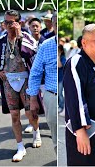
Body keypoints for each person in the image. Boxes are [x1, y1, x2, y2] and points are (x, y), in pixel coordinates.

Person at [0, 9, 41, 162]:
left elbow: (33, 53)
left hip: (26, 80)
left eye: (11, 22)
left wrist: (20, 36)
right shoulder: (0, 41)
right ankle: (20, 146)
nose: (8, 25)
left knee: (30, 113)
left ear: (19, 23)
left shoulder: (28, 38)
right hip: (9, 81)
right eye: (6, 22)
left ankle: (36, 132)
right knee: (15, 115)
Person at [63, 24, 95, 166]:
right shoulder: (77, 61)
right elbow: (75, 97)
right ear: (84, 42)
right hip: (86, 130)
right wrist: (79, 130)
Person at [27, 12, 58, 153]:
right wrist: (33, 98)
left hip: (74, 97)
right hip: (52, 95)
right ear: (53, 25)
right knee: (56, 139)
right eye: (57, 24)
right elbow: (35, 73)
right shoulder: (46, 45)